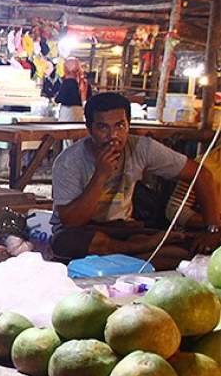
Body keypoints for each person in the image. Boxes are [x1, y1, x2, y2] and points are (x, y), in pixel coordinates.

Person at [50, 93, 219, 269]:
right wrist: (100, 175)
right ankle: (144, 250)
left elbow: (201, 174)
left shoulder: (141, 147)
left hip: (124, 230)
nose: (113, 136)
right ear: (89, 129)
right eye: (103, 127)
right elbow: (71, 222)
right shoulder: (69, 162)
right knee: (67, 242)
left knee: (192, 246)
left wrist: (212, 230)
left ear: (128, 125)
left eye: (120, 126)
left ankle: (133, 254)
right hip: (85, 232)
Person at [55, 57, 90, 122]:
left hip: (66, 114)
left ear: (65, 70)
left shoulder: (64, 83)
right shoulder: (84, 83)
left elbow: (58, 99)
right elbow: (88, 99)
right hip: (79, 113)